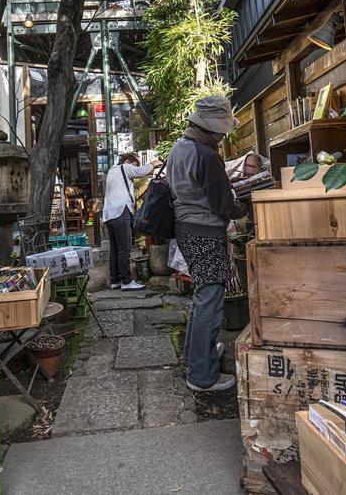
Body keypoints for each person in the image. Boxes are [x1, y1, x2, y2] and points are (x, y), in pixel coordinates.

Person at [167, 96, 246, 392]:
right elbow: (223, 204)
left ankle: (195, 357)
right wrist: (243, 207)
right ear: (212, 129)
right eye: (222, 130)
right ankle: (201, 376)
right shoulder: (206, 155)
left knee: (202, 296)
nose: (224, 135)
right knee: (209, 299)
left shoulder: (180, 148)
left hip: (186, 229)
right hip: (205, 231)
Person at [102, 153, 159, 290]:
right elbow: (142, 171)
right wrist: (154, 164)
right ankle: (127, 282)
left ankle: (115, 280)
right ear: (128, 161)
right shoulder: (125, 167)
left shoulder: (112, 170)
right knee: (124, 248)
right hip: (121, 211)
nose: (134, 169)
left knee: (115, 250)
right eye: (134, 165)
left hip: (109, 214)